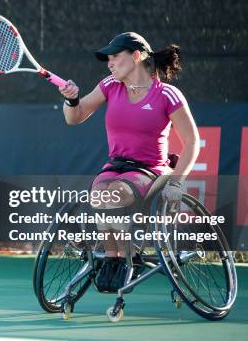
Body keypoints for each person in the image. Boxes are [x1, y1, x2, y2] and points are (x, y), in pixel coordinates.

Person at [58, 32, 199, 292]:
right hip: (116, 166)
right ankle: (114, 259)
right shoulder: (110, 85)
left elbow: (192, 141)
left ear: (136, 56)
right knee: (100, 194)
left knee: (115, 193)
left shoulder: (167, 95)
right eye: (108, 59)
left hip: (151, 170)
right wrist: (71, 98)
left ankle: (125, 258)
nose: (109, 63)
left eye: (115, 57)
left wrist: (177, 182)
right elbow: (74, 117)